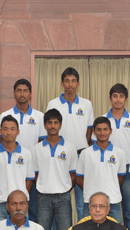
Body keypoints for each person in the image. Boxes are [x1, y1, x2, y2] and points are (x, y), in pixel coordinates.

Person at [93, 83, 130, 230]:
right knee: (109, 211)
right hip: (108, 170)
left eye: (121, 96)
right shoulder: (102, 120)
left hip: (129, 171)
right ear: (110, 98)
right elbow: (96, 145)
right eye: (115, 96)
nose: (118, 99)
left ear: (126, 99)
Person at [46, 67, 95, 221]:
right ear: (62, 83)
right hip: (59, 156)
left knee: (82, 202)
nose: (70, 84)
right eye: (67, 81)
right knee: (57, 199)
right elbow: (49, 129)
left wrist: (81, 148)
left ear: (78, 83)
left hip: (81, 155)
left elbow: (89, 130)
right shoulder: (53, 103)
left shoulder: (86, 104)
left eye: (73, 81)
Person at [0, 79, 45, 222]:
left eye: (25, 91)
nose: (22, 94)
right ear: (14, 93)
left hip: (32, 171)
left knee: (32, 213)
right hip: (9, 173)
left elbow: (41, 144)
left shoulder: (39, 116)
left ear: (30, 94)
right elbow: (0, 143)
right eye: (19, 90)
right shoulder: (5, 115)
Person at [33, 109, 77, 230]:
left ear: (60, 125)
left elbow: (73, 174)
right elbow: (35, 174)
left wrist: (64, 188)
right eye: (49, 122)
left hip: (63, 197)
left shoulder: (70, 147)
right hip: (43, 197)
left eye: (55, 123)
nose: (52, 126)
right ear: (45, 125)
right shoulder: (37, 148)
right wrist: (44, 185)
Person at [0, 115, 35, 224]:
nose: (9, 133)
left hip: (20, 205)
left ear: (18, 131)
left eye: (12, 129)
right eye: (5, 129)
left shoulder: (26, 154)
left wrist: (21, 200)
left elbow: (29, 180)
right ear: (0, 131)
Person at [76, 117, 126, 223]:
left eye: (105, 129)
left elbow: (120, 178)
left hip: (113, 202)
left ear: (110, 131)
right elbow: (79, 178)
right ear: (94, 132)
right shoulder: (85, 153)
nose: (102, 133)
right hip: (90, 203)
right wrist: (91, 191)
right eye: (99, 129)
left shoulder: (119, 153)